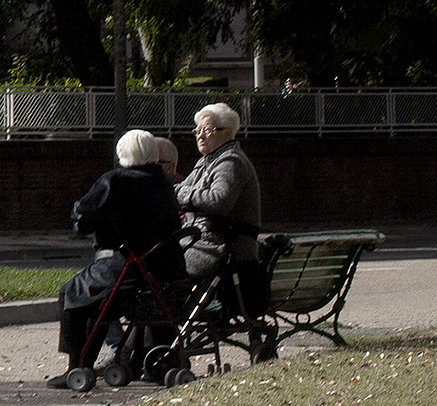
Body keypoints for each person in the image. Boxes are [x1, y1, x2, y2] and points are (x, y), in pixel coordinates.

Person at [50, 128, 182, 388]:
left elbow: (83, 216)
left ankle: (77, 364)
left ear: (122, 154)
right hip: (165, 268)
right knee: (94, 297)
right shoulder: (163, 180)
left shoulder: (116, 180)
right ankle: (87, 362)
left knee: (72, 293)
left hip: (129, 270)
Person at [178, 101, 273, 361]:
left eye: (207, 130)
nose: (200, 135)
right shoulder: (206, 162)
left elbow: (219, 200)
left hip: (220, 247)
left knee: (160, 268)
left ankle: (162, 338)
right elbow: (179, 192)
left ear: (227, 133)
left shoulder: (230, 162)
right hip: (201, 242)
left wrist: (185, 195)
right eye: (197, 130)